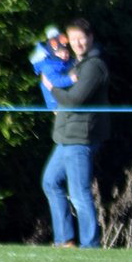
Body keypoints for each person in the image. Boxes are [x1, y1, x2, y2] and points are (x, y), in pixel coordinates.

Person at [39, 18, 109, 249]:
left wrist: (52, 88)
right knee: (50, 182)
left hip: (80, 137)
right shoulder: (75, 64)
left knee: (79, 193)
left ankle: (90, 245)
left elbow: (75, 100)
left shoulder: (94, 66)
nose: (78, 43)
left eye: (82, 38)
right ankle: (65, 240)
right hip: (66, 137)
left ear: (90, 38)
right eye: (73, 38)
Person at [29, 25, 75, 109]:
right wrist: (71, 79)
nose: (64, 55)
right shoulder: (48, 67)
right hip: (54, 102)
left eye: (66, 52)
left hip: (66, 96)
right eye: (60, 52)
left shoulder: (69, 61)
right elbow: (56, 82)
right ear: (53, 54)